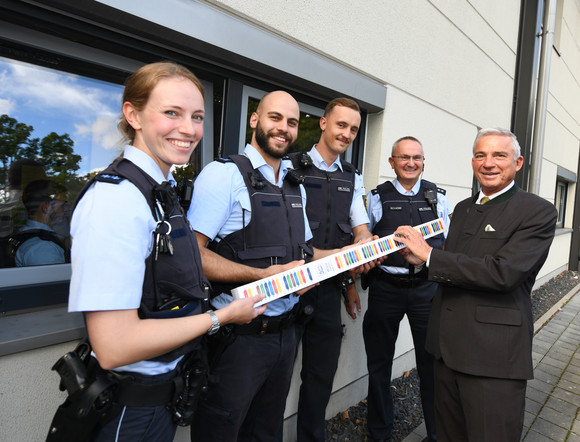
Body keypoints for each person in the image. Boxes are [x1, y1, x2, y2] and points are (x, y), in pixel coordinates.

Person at [63, 62, 265, 442]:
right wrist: (223, 317)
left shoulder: (160, 189)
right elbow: (113, 346)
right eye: (171, 113)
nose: (188, 129)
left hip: (164, 398)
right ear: (133, 114)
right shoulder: (116, 199)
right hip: (129, 411)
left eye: (197, 116)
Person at [188, 91, 375, 442]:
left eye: (291, 122)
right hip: (240, 337)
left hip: (285, 333)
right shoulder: (222, 175)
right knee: (222, 430)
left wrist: (357, 255)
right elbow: (191, 256)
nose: (284, 128)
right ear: (255, 120)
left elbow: (304, 254)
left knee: (265, 432)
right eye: (275, 118)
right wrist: (260, 276)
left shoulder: (293, 185)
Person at [395, 128, 557, 442]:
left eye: (499, 155)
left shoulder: (537, 211)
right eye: (481, 155)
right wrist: (422, 261)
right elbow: (456, 264)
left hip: (492, 358)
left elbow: (502, 273)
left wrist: (430, 256)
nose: (489, 163)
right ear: (473, 162)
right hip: (445, 352)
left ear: (518, 162)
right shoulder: (463, 209)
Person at [287, 97, 372, 441]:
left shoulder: (352, 176)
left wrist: (361, 251)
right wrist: (342, 256)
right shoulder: (290, 166)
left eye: (353, 129)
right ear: (323, 123)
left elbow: (360, 227)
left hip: (326, 290)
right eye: (341, 125)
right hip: (288, 287)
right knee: (271, 378)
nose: (347, 134)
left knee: (320, 377)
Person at [363, 136, 451, 442]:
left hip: (427, 289)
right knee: (378, 363)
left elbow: (449, 245)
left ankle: (437, 433)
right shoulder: (378, 197)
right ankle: (379, 433)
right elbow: (365, 240)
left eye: (417, 157)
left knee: (432, 364)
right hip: (386, 287)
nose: (411, 163)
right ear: (391, 162)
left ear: (423, 161)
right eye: (404, 157)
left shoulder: (438, 197)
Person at [12, 179, 67, 266]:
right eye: (62, 205)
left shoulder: (23, 233)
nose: (65, 209)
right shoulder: (44, 248)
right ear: (46, 208)